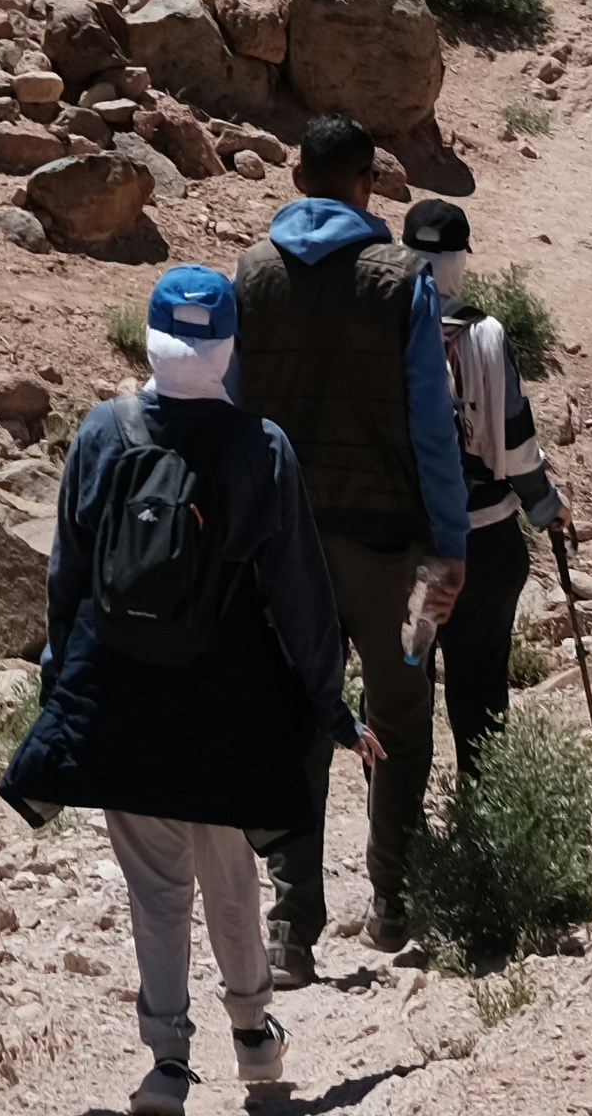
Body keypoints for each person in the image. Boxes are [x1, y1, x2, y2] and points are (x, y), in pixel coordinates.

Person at [0, 264, 372, 1113]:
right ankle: (253, 1037)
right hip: (227, 706)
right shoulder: (260, 446)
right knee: (229, 870)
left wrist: (66, 688)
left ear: (153, 341)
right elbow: (302, 595)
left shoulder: (102, 431)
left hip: (125, 700)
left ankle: (167, 1061)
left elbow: (68, 576)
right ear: (226, 348)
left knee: (154, 886)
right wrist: (328, 705)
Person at [233, 118, 470, 967]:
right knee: (400, 722)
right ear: (368, 182)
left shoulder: (251, 274)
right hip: (392, 548)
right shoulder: (401, 281)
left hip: (283, 544)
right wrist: (452, 547)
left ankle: (293, 931)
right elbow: (431, 429)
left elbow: (232, 417)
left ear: (298, 179)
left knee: (297, 721)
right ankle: (392, 906)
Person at [403, 197, 554, 796]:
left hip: (411, 548)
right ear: (460, 259)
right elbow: (517, 446)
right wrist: (545, 505)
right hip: (487, 540)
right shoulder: (486, 334)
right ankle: (486, 833)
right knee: (482, 692)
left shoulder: (385, 329)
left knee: (404, 692)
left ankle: (399, 844)